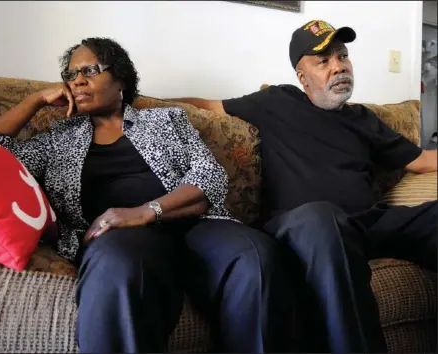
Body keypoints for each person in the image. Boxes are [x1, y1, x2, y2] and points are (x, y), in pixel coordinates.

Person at [0, 37, 295, 353]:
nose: (77, 80)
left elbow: (208, 175)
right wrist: (36, 100)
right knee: (117, 261)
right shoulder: (58, 140)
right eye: (71, 75)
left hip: (196, 225)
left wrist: (147, 210)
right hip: (123, 239)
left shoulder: (167, 120)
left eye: (89, 70)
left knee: (254, 254)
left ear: (120, 79)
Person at [171, 20, 438, 354]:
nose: (338, 66)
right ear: (302, 76)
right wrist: (131, 102)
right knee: (321, 218)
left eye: (342, 56)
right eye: (323, 61)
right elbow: (206, 106)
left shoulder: (363, 118)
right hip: (301, 226)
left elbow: (420, 162)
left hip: (364, 224)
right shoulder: (276, 100)